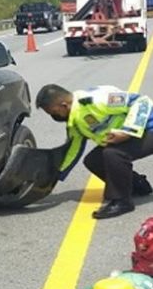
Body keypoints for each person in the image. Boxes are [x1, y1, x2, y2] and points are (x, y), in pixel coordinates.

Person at [36, 84, 153, 219]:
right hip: (125, 136)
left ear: (64, 105)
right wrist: (57, 174)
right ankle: (137, 185)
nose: (54, 117)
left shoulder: (96, 100)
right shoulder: (75, 117)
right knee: (93, 160)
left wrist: (128, 131)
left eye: (54, 113)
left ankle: (122, 202)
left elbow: (141, 101)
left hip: (147, 128)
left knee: (113, 154)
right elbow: (74, 148)